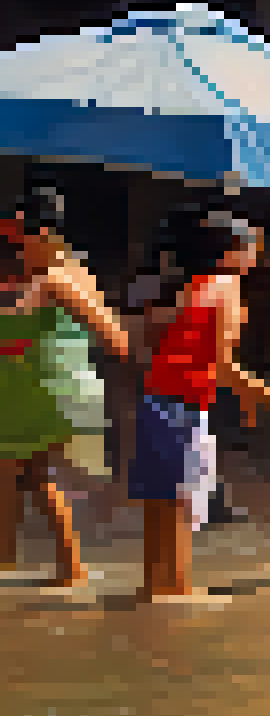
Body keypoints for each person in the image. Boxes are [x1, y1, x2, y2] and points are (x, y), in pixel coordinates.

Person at [134, 210, 270, 602]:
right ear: (232, 251)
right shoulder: (227, 287)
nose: (258, 253)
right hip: (184, 403)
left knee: (159, 498)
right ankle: (179, 588)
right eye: (253, 245)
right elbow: (222, 365)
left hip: (156, 396)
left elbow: (171, 342)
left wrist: (246, 398)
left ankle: (154, 586)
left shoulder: (193, 284)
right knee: (181, 500)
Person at [0, 187, 129, 587]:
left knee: (23, 475)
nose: (13, 244)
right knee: (30, 476)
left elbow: (113, 336)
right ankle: (40, 566)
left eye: (17, 235)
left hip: (41, 389)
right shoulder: (66, 273)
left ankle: (65, 568)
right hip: (41, 386)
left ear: (34, 232)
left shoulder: (56, 276)